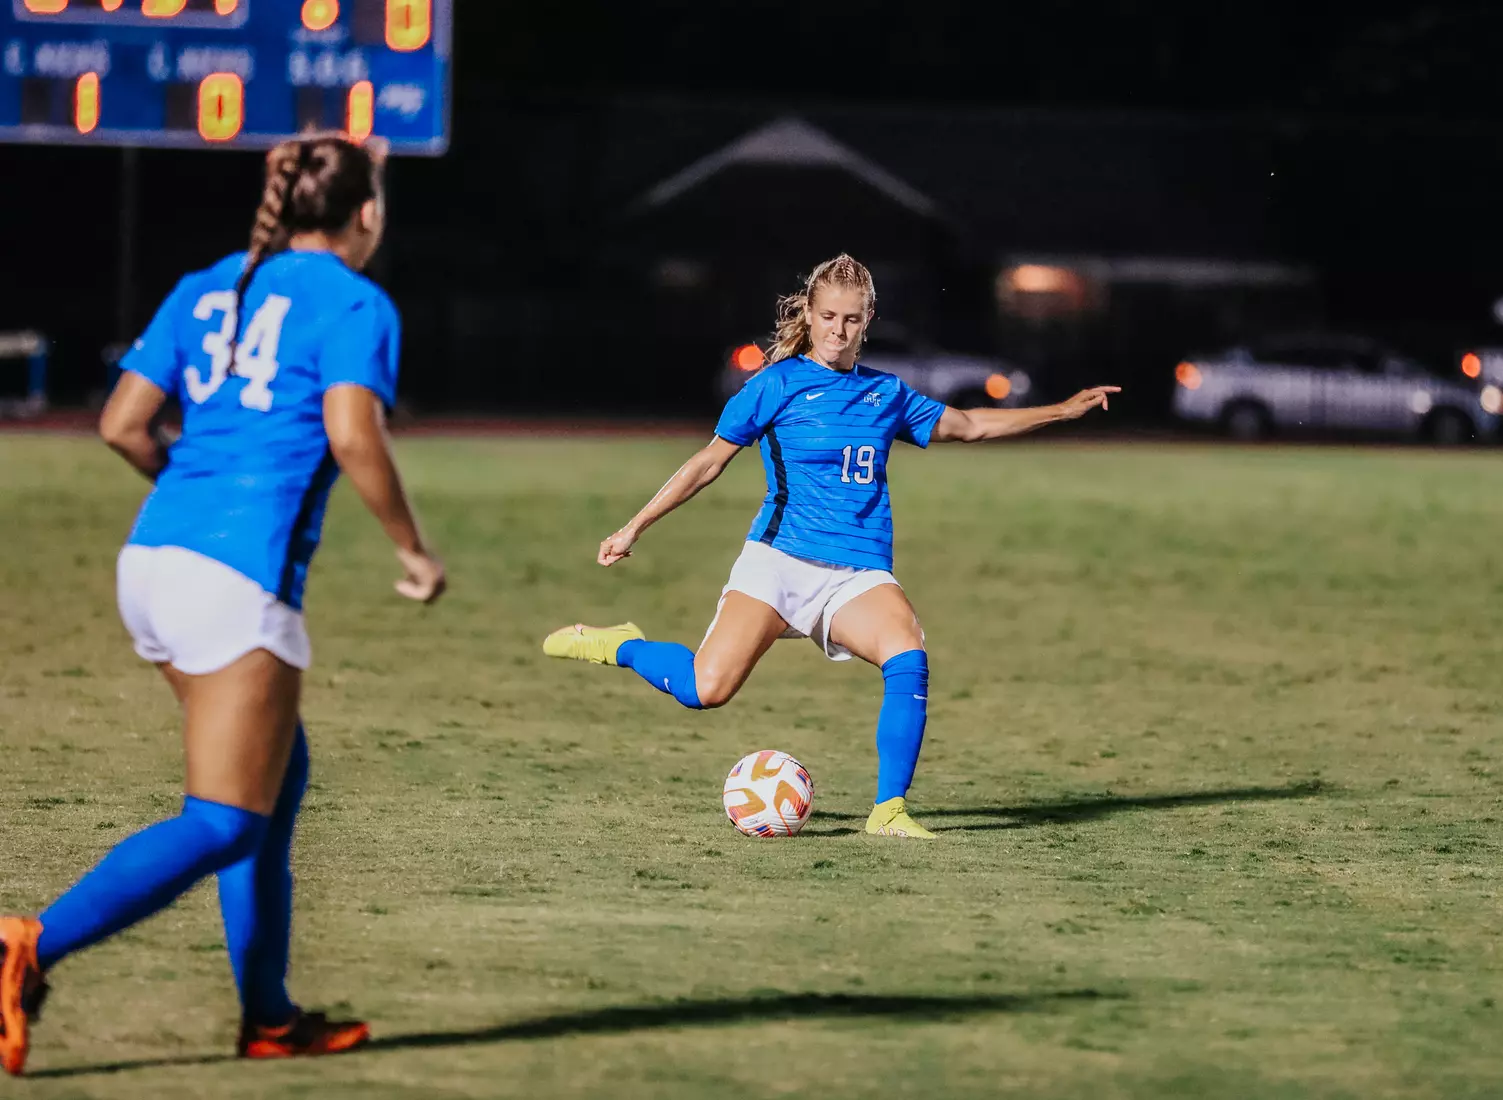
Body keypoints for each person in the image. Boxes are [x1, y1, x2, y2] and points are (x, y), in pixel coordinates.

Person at [0, 134, 445, 1077]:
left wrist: (190, 503)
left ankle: (270, 1019)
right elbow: (352, 435)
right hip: (235, 581)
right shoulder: (356, 301)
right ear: (366, 214)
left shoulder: (208, 284)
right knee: (227, 820)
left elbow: (121, 423)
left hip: (151, 560)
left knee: (271, 790)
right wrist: (413, 548)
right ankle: (31, 942)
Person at [540, 254, 1117, 839]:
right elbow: (707, 464)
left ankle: (889, 811)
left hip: (856, 573)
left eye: (852, 319)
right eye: (829, 317)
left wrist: (1062, 410)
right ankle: (623, 646)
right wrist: (634, 526)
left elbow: (968, 425)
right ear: (810, 316)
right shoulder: (775, 384)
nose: (839, 330)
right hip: (779, 563)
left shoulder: (886, 393)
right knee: (703, 690)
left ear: (868, 322)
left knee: (907, 654)